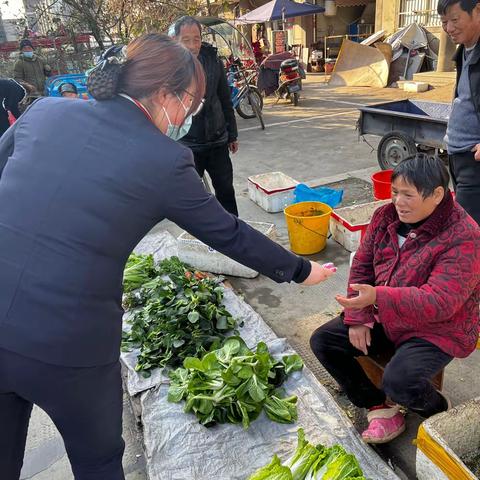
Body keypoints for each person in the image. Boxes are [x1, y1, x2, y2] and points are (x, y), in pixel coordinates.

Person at [0, 34, 336, 480]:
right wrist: (299, 269)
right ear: (163, 94)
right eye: (190, 103)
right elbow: (228, 233)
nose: (189, 116)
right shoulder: (163, 159)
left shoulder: (47, 111)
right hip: (69, 340)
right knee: (96, 459)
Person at [310, 155, 480, 444]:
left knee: (399, 381)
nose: (398, 202)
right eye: (395, 192)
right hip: (387, 316)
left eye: (408, 195)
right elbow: (362, 264)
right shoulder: (385, 216)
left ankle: (438, 409)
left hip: (437, 329)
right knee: (324, 341)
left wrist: (378, 296)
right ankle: (379, 408)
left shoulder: (464, 236)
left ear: (437, 194)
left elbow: (440, 301)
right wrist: (359, 316)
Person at [170, 16, 240, 216]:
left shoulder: (212, 60)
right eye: (186, 40)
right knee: (192, 197)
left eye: (197, 39)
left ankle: (233, 231)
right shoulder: (170, 67)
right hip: (188, 145)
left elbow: (225, 99)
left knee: (226, 190)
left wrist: (232, 134)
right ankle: (204, 236)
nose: (193, 45)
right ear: (176, 40)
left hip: (217, 140)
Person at [438, 0, 480, 225]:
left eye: (455, 20)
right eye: (444, 22)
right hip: (458, 155)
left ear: (477, 10)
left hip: (475, 160)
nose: (449, 28)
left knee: (467, 229)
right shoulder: (464, 50)